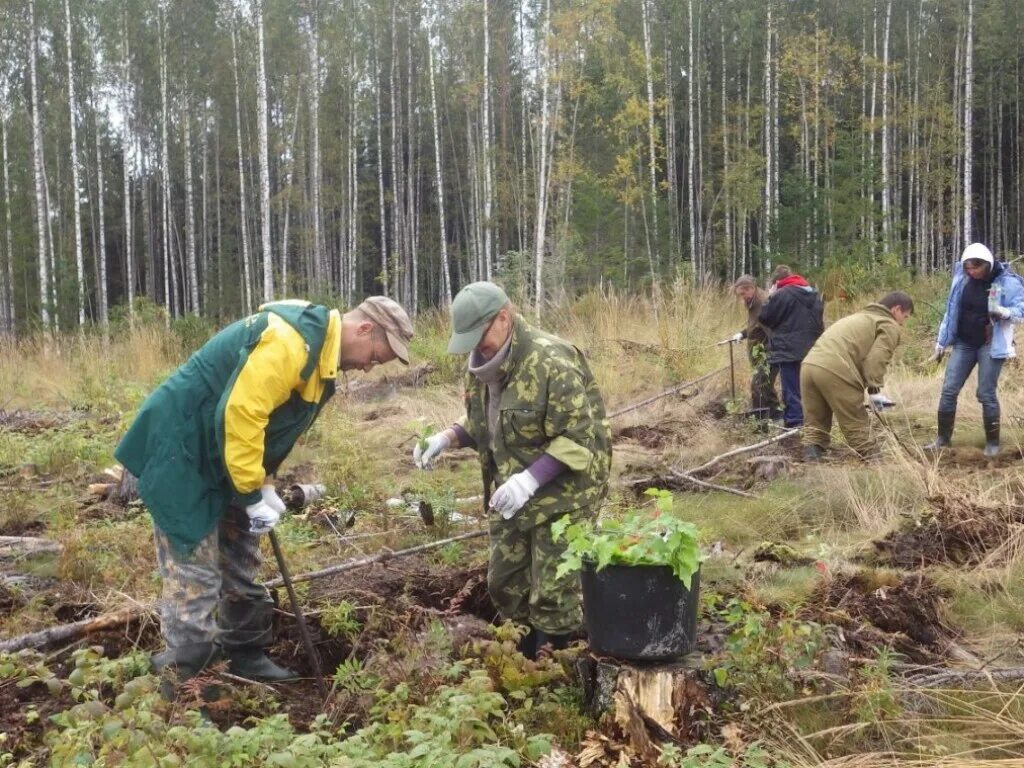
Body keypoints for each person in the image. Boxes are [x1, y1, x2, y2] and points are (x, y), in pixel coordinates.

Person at [115, 297, 413, 683]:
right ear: (365, 329)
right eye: (377, 356)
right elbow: (241, 413)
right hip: (184, 453)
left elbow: (269, 427)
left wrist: (265, 484)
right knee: (195, 573)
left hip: (226, 455)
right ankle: (186, 690)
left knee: (242, 554)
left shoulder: (319, 355)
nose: (371, 366)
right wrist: (252, 494)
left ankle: (244, 657)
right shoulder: (290, 343)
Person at [412, 282, 611, 659]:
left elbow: (577, 439)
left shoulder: (552, 360)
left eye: (480, 336)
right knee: (505, 583)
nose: (476, 347)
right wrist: (447, 437)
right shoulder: (482, 364)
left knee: (553, 590)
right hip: (512, 491)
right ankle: (523, 659)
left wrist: (531, 479)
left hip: (566, 493)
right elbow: (486, 421)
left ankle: (558, 671)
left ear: (503, 317)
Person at [925, 243, 1024, 457]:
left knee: (985, 393)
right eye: (968, 267)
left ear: (986, 264)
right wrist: (941, 343)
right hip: (964, 342)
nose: (971, 271)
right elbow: (951, 310)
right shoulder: (962, 278)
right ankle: (942, 440)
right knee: (949, 389)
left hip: (991, 344)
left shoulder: (1007, 282)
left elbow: (1021, 309)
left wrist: (1004, 312)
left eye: (975, 267)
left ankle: (992, 444)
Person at [800, 292, 914, 461]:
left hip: (809, 366)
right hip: (836, 367)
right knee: (855, 420)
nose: (903, 323)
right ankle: (875, 461)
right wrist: (875, 392)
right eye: (904, 317)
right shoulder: (888, 323)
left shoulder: (859, 317)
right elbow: (876, 359)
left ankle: (812, 459)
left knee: (815, 422)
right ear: (896, 309)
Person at [757, 265, 824, 427]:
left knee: (791, 389)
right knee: (809, 387)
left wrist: (771, 296)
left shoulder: (782, 294)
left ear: (777, 282)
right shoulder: (813, 293)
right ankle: (813, 422)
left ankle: (795, 424)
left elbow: (765, 317)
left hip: (789, 349)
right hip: (812, 348)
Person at [726, 275, 780, 420]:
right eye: (740, 295)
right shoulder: (751, 302)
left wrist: (770, 356)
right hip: (760, 353)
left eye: (743, 294)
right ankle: (776, 416)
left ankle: (760, 422)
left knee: (758, 386)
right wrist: (742, 334)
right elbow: (756, 326)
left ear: (750, 289)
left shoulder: (762, 303)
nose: (742, 298)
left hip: (769, 353)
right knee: (765, 386)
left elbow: (772, 331)